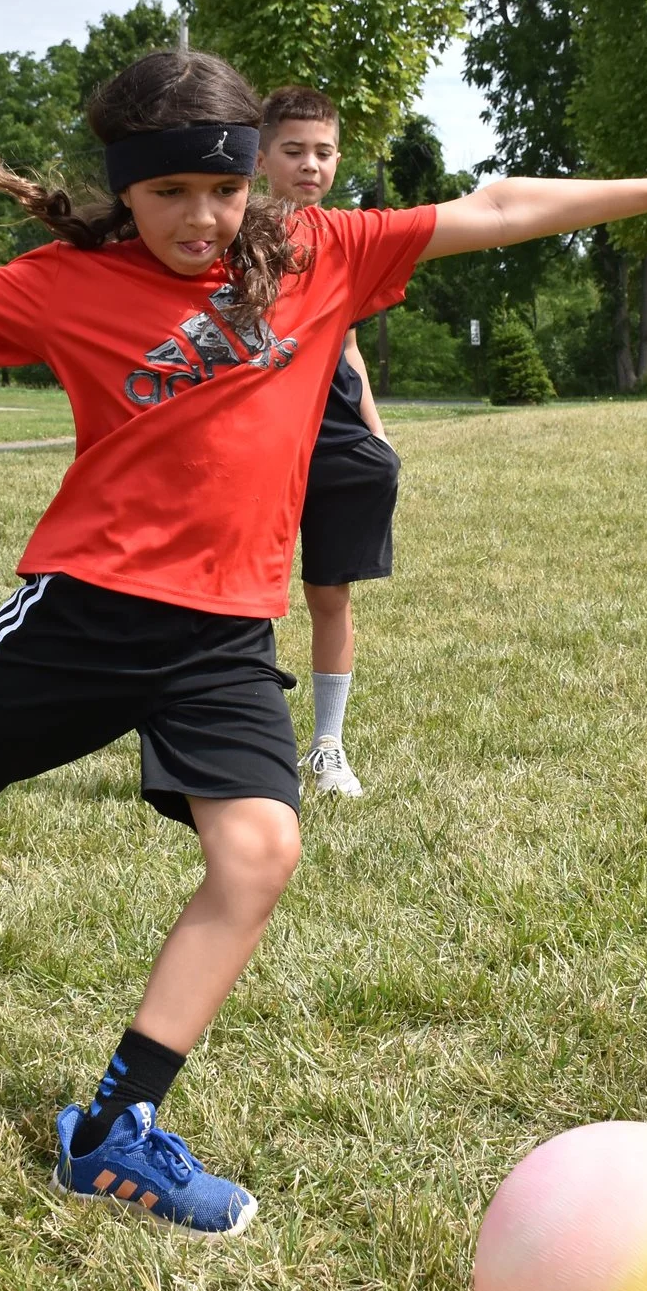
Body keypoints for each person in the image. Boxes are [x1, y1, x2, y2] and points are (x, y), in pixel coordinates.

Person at [0, 49, 647, 1237]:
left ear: (251, 174)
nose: (201, 220)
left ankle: (112, 1132)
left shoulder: (318, 252)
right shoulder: (69, 280)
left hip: (221, 632)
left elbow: (502, 204)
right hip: (90, 607)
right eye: (169, 197)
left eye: (221, 191)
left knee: (259, 852)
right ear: (126, 189)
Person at [254, 86, 389, 798]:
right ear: (260, 155)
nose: (311, 164)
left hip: (335, 433)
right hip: (261, 433)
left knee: (328, 592)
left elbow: (349, 341)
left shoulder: (343, 239)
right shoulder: (229, 232)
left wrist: (374, 428)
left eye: (325, 152)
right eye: (294, 150)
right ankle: (249, 743)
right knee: (244, 596)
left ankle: (328, 747)